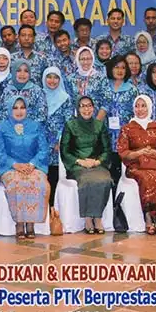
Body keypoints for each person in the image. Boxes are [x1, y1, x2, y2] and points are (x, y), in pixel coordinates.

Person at [0, 96, 50, 238]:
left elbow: (43, 149)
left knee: (39, 183)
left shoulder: (35, 126)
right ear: (9, 109)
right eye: (15, 108)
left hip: (33, 166)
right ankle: (19, 222)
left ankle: (30, 222)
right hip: (10, 167)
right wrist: (14, 164)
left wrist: (32, 164)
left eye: (22, 107)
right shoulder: (2, 127)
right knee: (17, 183)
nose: (19, 111)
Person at [116, 95, 156, 235]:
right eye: (137, 106)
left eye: (143, 106)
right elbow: (122, 151)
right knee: (146, 178)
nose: (140, 109)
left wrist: (155, 152)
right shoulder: (127, 128)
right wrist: (139, 153)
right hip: (136, 166)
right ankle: (148, 217)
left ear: (149, 107)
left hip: (155, 165)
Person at [60, 96, 115, 234]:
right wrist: (80, 161)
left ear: (93, 108)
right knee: (87, 180)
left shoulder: (99, 125)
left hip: (97, 164)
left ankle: (98, 218)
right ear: (78, 109)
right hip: (78, 165)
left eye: (89, 105)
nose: (86, 109)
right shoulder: (70, 125)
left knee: (105, 180)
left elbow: (107, 150)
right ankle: (88, 219)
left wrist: (96, 162)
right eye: (83, 106)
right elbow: (64, 151)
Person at [97, 55, 139, 184]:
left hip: (125, 136)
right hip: (106, 134)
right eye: (116, 67)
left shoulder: (132, 89)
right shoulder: (103, 86)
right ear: (111, 69)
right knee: (108, 171)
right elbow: (99, 109)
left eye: (123, 68)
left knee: (124, 172)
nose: (120, 70)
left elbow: (136, 113)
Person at [43, 66, 72, 224]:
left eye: (56, 77)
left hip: (57, 143)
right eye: (49, 77)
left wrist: (61, 140)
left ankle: (53, 210)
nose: (52, 81)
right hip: (41, 142)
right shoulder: (40, 95)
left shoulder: (65, 98)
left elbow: (69, 122)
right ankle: (43, 211)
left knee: (54, 175)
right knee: (43, 174)